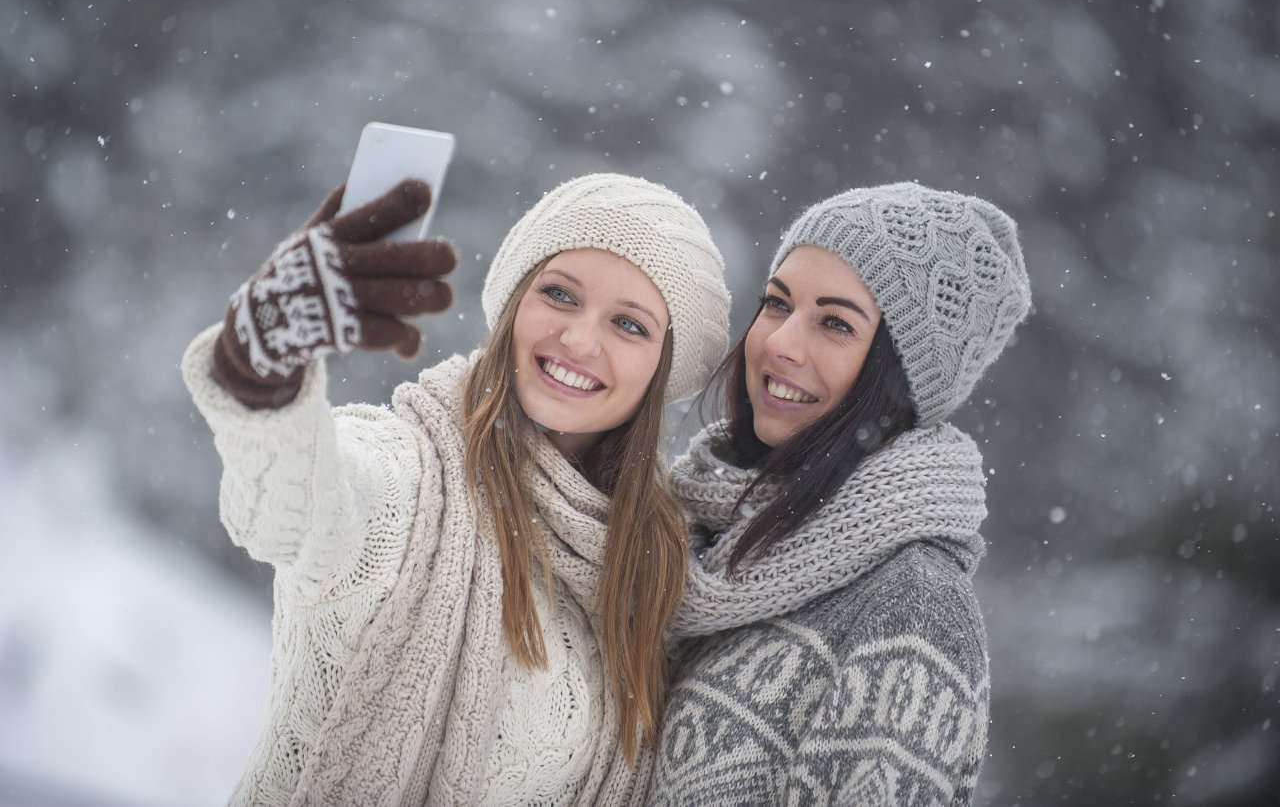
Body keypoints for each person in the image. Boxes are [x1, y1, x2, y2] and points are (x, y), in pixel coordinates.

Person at [181, 173, 730, 806]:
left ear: (664, 368)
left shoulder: (657, 564)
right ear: (515, 303)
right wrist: (261, 366)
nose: (579, 340)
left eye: (629, 326)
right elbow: (290, 508)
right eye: (558, 293)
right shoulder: (412, 477)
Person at [648, 182, 1033, 806]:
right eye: (777, 304)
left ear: (899, 377)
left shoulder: (914, 615)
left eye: (834, 323)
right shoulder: (690, 529)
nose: (779, 343)